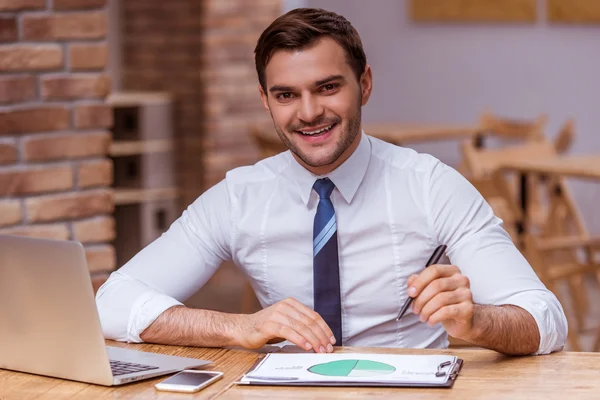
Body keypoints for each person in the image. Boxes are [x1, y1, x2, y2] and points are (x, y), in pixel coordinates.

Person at [97, 8, 567, 356]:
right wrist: (236, 328)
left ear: (363, 84)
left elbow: (546, 320)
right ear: (265, 101)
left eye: (327, 87)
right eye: (286, 95)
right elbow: (112, 303)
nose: (308, 113)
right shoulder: (239, 197)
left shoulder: (432, 187)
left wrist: (477, 321)